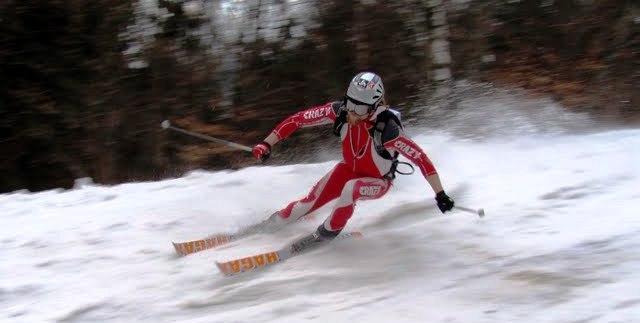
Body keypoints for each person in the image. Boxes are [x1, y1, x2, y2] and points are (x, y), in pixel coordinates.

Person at [250, 72, 455, 252]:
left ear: (375, 106)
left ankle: (326, 233)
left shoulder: (388, 130)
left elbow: (420, 158)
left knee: (350, 188)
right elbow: (298, 119)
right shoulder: (340, 111)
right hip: (348, 170)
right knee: (306, 204)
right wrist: (266, 144)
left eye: (360, 107)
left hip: (377, 181)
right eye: (350, 103)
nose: (353, 112)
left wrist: (440, 194)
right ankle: (271, 224)